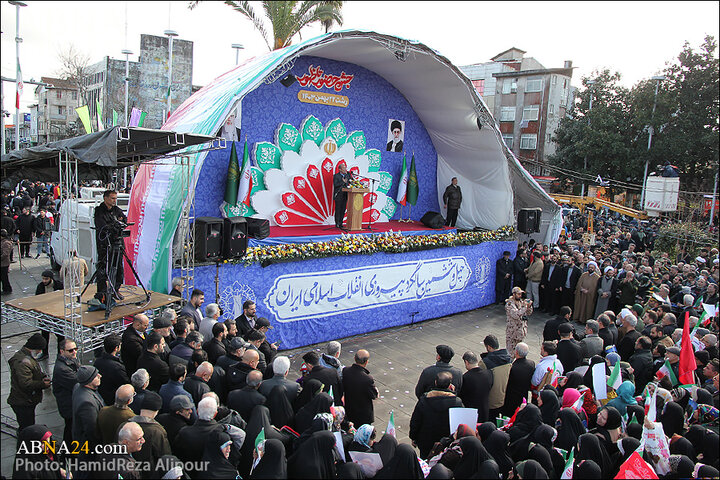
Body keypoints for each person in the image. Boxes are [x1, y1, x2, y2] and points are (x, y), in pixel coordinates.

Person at [409, 371, 464, 459]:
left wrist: (413, 436)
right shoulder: (456, 402)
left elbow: (416, 420)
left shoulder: (424, 400)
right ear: (450, 385)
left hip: (426, 440)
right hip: (446, 441)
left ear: (435, 382)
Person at [7, 333, 52, 431]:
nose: (40, 351)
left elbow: (34, 371)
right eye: (40, 349)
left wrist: (42, 377)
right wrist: (42, 384)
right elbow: (25, 383)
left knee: (27, 426)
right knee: (27, 429)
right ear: (34, 347)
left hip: (25, 401)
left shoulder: (26, 357)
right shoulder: (23, 362)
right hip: (23, 402)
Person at [94, 189, 128, 303]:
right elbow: (102, 226)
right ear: (105, 198)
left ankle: (115, 290)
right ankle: (102, 293)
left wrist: (117, 224)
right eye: (112, 198)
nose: (114, 201)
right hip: (105, 246)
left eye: (115, 198)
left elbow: (124, 220)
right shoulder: (99, 211)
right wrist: (114, 224)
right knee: (103, 269)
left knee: (118, 268)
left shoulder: (117, 210)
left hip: (117, 244)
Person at [51, 338, 79, 443]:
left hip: (70, 401)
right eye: (71, 350)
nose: (74, 352)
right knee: (70, 429)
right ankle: (66, 453)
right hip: (68, 404)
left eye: (75, 349)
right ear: (62, 351)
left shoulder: (70, 359)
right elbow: (78, 380)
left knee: (71, 427)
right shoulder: (62, 369)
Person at [342, 349, 379, 427]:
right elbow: (374, 395)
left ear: (355, 358)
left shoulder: (345, 371)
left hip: (349, 410)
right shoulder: (367, 379)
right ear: (366, 362)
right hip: (363, 415)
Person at [72, 365, 105, 450]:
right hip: (88, 447)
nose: (100, 376)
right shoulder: (87, 403)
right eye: (96, 376)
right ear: (89, 381)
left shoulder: (78, 387)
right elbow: (92, 430)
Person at [34, 270, 65, 360]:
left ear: (51, 279)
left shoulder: (58, 285)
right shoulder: (40, 286)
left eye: (46, 279)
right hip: (45, 314)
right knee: (44, 334)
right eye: (43, 279)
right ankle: (45, 353)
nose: (44, 281)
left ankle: (60, 353)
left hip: (56, 313)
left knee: (60, 335)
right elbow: (37, 300)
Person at [481, 334, 513, 421]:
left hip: (490, 400)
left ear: (488, 347)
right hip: (503, 396)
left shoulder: (485, 362)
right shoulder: (508, 359)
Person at [458, 350, 494, 423]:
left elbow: (462, 395)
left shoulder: (465, 377)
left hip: (471, 411)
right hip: (485, 410)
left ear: (466, 362)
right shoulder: (489, 373)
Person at [95, 333, 131, 405]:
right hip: (113, 398)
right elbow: (125, 382)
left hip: (101, 394)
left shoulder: (97, 361)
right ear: (116, 348)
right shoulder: (117, 367)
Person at [502, 342, 536, 416]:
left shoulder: (512, 368)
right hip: (523, 397)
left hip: (510, 399)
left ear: (516, 352)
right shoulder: (531, 364)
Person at [506, 286, 533, 354]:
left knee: (520, 353)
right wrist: (524, 307)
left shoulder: (521, 302)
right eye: (518, 294)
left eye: (521, 294)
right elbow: (515, 315)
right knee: (511, 354)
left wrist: (529, 306)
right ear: (514, 294)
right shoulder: (509, 304)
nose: (520, 296)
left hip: (520, 332)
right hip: (513, 332)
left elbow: (528, 313)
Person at [333, 162, 351, 229]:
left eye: (345, 168)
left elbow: (350, 182)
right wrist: (342, 182)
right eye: (344, 168)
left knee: (343, 209)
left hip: (345, 195)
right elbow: (336, 185)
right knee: (338, 209)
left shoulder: (347, 175)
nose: (345, 169)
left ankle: (341, 223)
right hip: (338, 195)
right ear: (340, 169)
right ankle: (337, 223)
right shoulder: (336, 176)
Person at [1, 229, 13, 293]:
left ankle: (7, 289)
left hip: (4, 263)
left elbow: (5, 254)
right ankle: (5, 289)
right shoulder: (3, 242)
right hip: (3, 263)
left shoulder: (6, 243)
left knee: (4, 277)